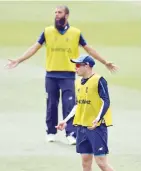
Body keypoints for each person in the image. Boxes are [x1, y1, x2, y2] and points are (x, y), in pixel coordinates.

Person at [6, 5, 118, 146]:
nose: (56, 15)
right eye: (55, 12)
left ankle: (70, 133)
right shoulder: (47, 32)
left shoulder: (75, 33)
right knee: (52, 104)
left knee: (69, 104)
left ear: (66, 15)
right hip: (51, 74)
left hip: (68, 75)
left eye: (59, 12)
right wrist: (19, 60)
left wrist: (105, 62)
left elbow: (89, 49)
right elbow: (34, 47)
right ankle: (51, 131)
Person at [56, 54, 127, 171]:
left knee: (101, 162)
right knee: (85, 162)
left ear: (87, 65)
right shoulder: (78, 82)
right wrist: (65, 120)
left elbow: (106, 101)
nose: (75, 68)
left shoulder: (99, 80)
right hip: (82, 127)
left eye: (78, 65)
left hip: (97, 128)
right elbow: (78, 104)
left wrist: (98, 119)